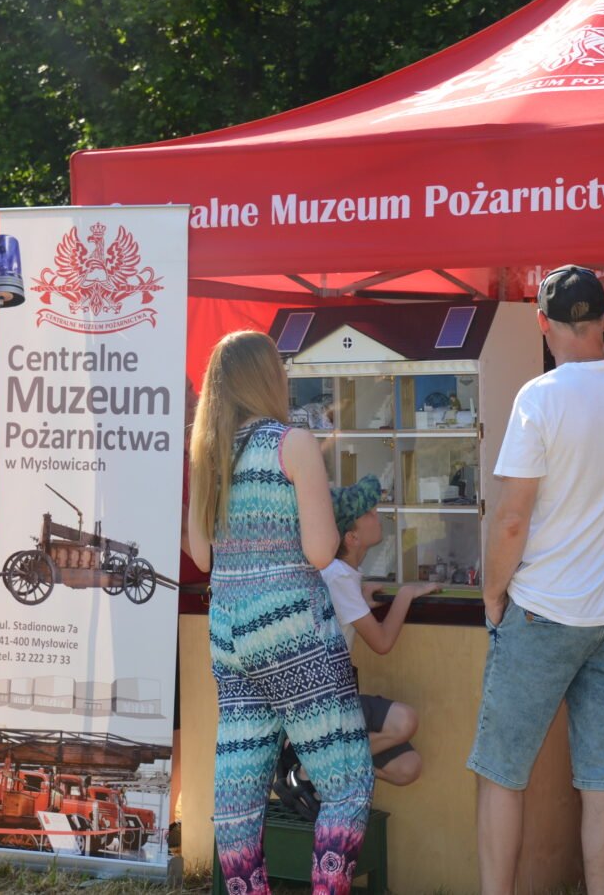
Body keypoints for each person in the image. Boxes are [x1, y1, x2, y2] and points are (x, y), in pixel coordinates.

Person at [469, 265, 604, 895]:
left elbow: (512, 519)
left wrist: (493, 594)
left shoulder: (539, 397)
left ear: (541, 323)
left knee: (501, 773)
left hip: (544, 609)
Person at [185, 330, 372, 894]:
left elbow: (201, 556)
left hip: (229, 635)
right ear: (267, 378)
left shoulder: (208, 454)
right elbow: (320, 551)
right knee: (347, 786)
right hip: (293, 632)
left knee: (238, 802)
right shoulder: (292, 444)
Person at [321, 474, 440, 786]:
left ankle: (319, 764)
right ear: (352, 537)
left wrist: (362, 600)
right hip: (325, 702)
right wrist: (406, 594)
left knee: (407, 767)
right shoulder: (339, 577)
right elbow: (382, 642)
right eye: (368, 513)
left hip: (335, 698)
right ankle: (312, 767)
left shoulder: (341, 575)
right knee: (404, 721)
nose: (377, 514)